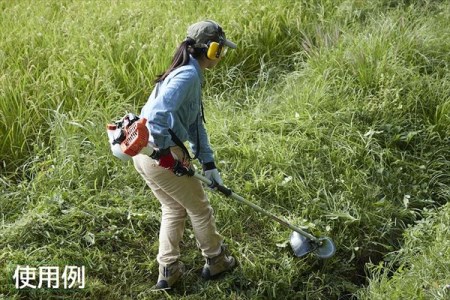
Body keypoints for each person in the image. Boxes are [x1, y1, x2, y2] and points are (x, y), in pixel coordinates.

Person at [132, 20, 237, 290]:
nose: (221, 54)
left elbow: (193, 124)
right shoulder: (188, 76)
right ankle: (216, 260)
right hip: (156, 153)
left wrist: (209, 162)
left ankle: (168, 270)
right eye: (221, 49)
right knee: (200, 209)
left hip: (143, 156)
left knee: (173, 207)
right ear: (212, 50)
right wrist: (166, 153)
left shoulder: (185, 70)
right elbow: (156, 119)